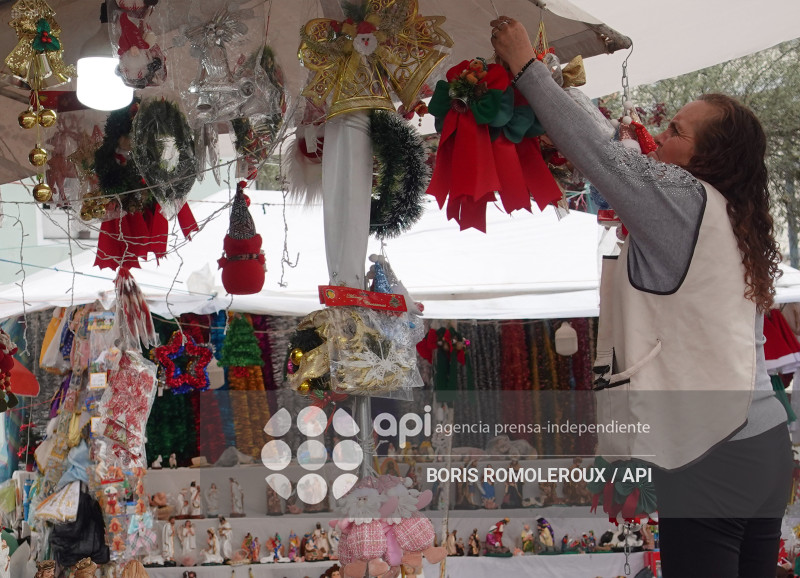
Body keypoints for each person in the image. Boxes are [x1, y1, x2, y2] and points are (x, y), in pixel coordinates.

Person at [490, 15, 793, 577]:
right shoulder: (732, 215)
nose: (658, 137)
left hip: (715, 450)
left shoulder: (684, 200)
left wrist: (529, 71)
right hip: (764, 441)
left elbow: (607, 155)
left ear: (707, 157)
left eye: (676, 131)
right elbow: (618, 148)